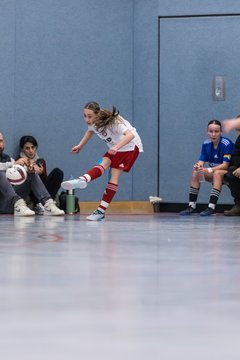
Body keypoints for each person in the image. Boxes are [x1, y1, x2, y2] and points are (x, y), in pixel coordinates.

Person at [61, 101, 143, 221]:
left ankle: (101, 211)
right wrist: (80, 145)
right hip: (116, 146)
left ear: (97, 114)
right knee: (103, 163)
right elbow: (90, 130)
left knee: (114, 176)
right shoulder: (94, 122)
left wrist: (116, 147)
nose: (87, 119)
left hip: (129, 146)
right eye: (84, 116)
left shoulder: (113, 122)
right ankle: (82, 180)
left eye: (90, 116)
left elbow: (130, 135)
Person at [0, 132, 65, 216]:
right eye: (27, 148)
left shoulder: (7, 158)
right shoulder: (13, 161)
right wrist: (14, 164)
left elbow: (16, 170)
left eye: (1, 141)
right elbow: (11, 165)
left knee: (31, 174)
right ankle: (19, 204)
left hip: (11, 201)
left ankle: (48, 204)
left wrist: (30, 167)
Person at [179, 120, 234, 216]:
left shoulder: (227, 144)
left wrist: (208, 170)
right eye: (211, 131)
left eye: (216, 131)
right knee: (196, 172)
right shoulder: (206, 144)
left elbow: (225, 165)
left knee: (217, 174)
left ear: (221, 132)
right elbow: (201, 162)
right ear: (207, 132)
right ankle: (191, 206)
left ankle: (211, 207)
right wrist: (198, 166)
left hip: (229, 174)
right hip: (215, 173)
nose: (213, 134)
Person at [18, 135, 64, 214]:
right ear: (22, 149)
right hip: (29, 191)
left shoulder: (40, 161)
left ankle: (47, 204)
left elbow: (45, 182)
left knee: (58, 172)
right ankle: (40, 204)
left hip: (42, 190)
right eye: (27, 148)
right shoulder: (18, 161)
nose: (31, 151)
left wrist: (41, 172)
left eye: (33, 147)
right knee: (31, 175)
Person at [222, 116, 240, 216]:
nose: (238, 132)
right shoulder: (239, 140)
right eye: (237, 130)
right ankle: (238, 205)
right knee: (231, 172)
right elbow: (235, 156)